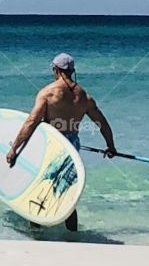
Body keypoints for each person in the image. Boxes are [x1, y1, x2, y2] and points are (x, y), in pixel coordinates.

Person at [6, 52, 116, 232]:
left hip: (51, 145)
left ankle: (36, 233)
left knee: (40, 188)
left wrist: (14, 149)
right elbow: (102, 123)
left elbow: (32, 122)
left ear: (55, 69)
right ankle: (72, 236)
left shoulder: (47, 93)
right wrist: (110, 146)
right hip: (72, 146)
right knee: (67, 193)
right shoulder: (85, 97)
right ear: (72, 71)